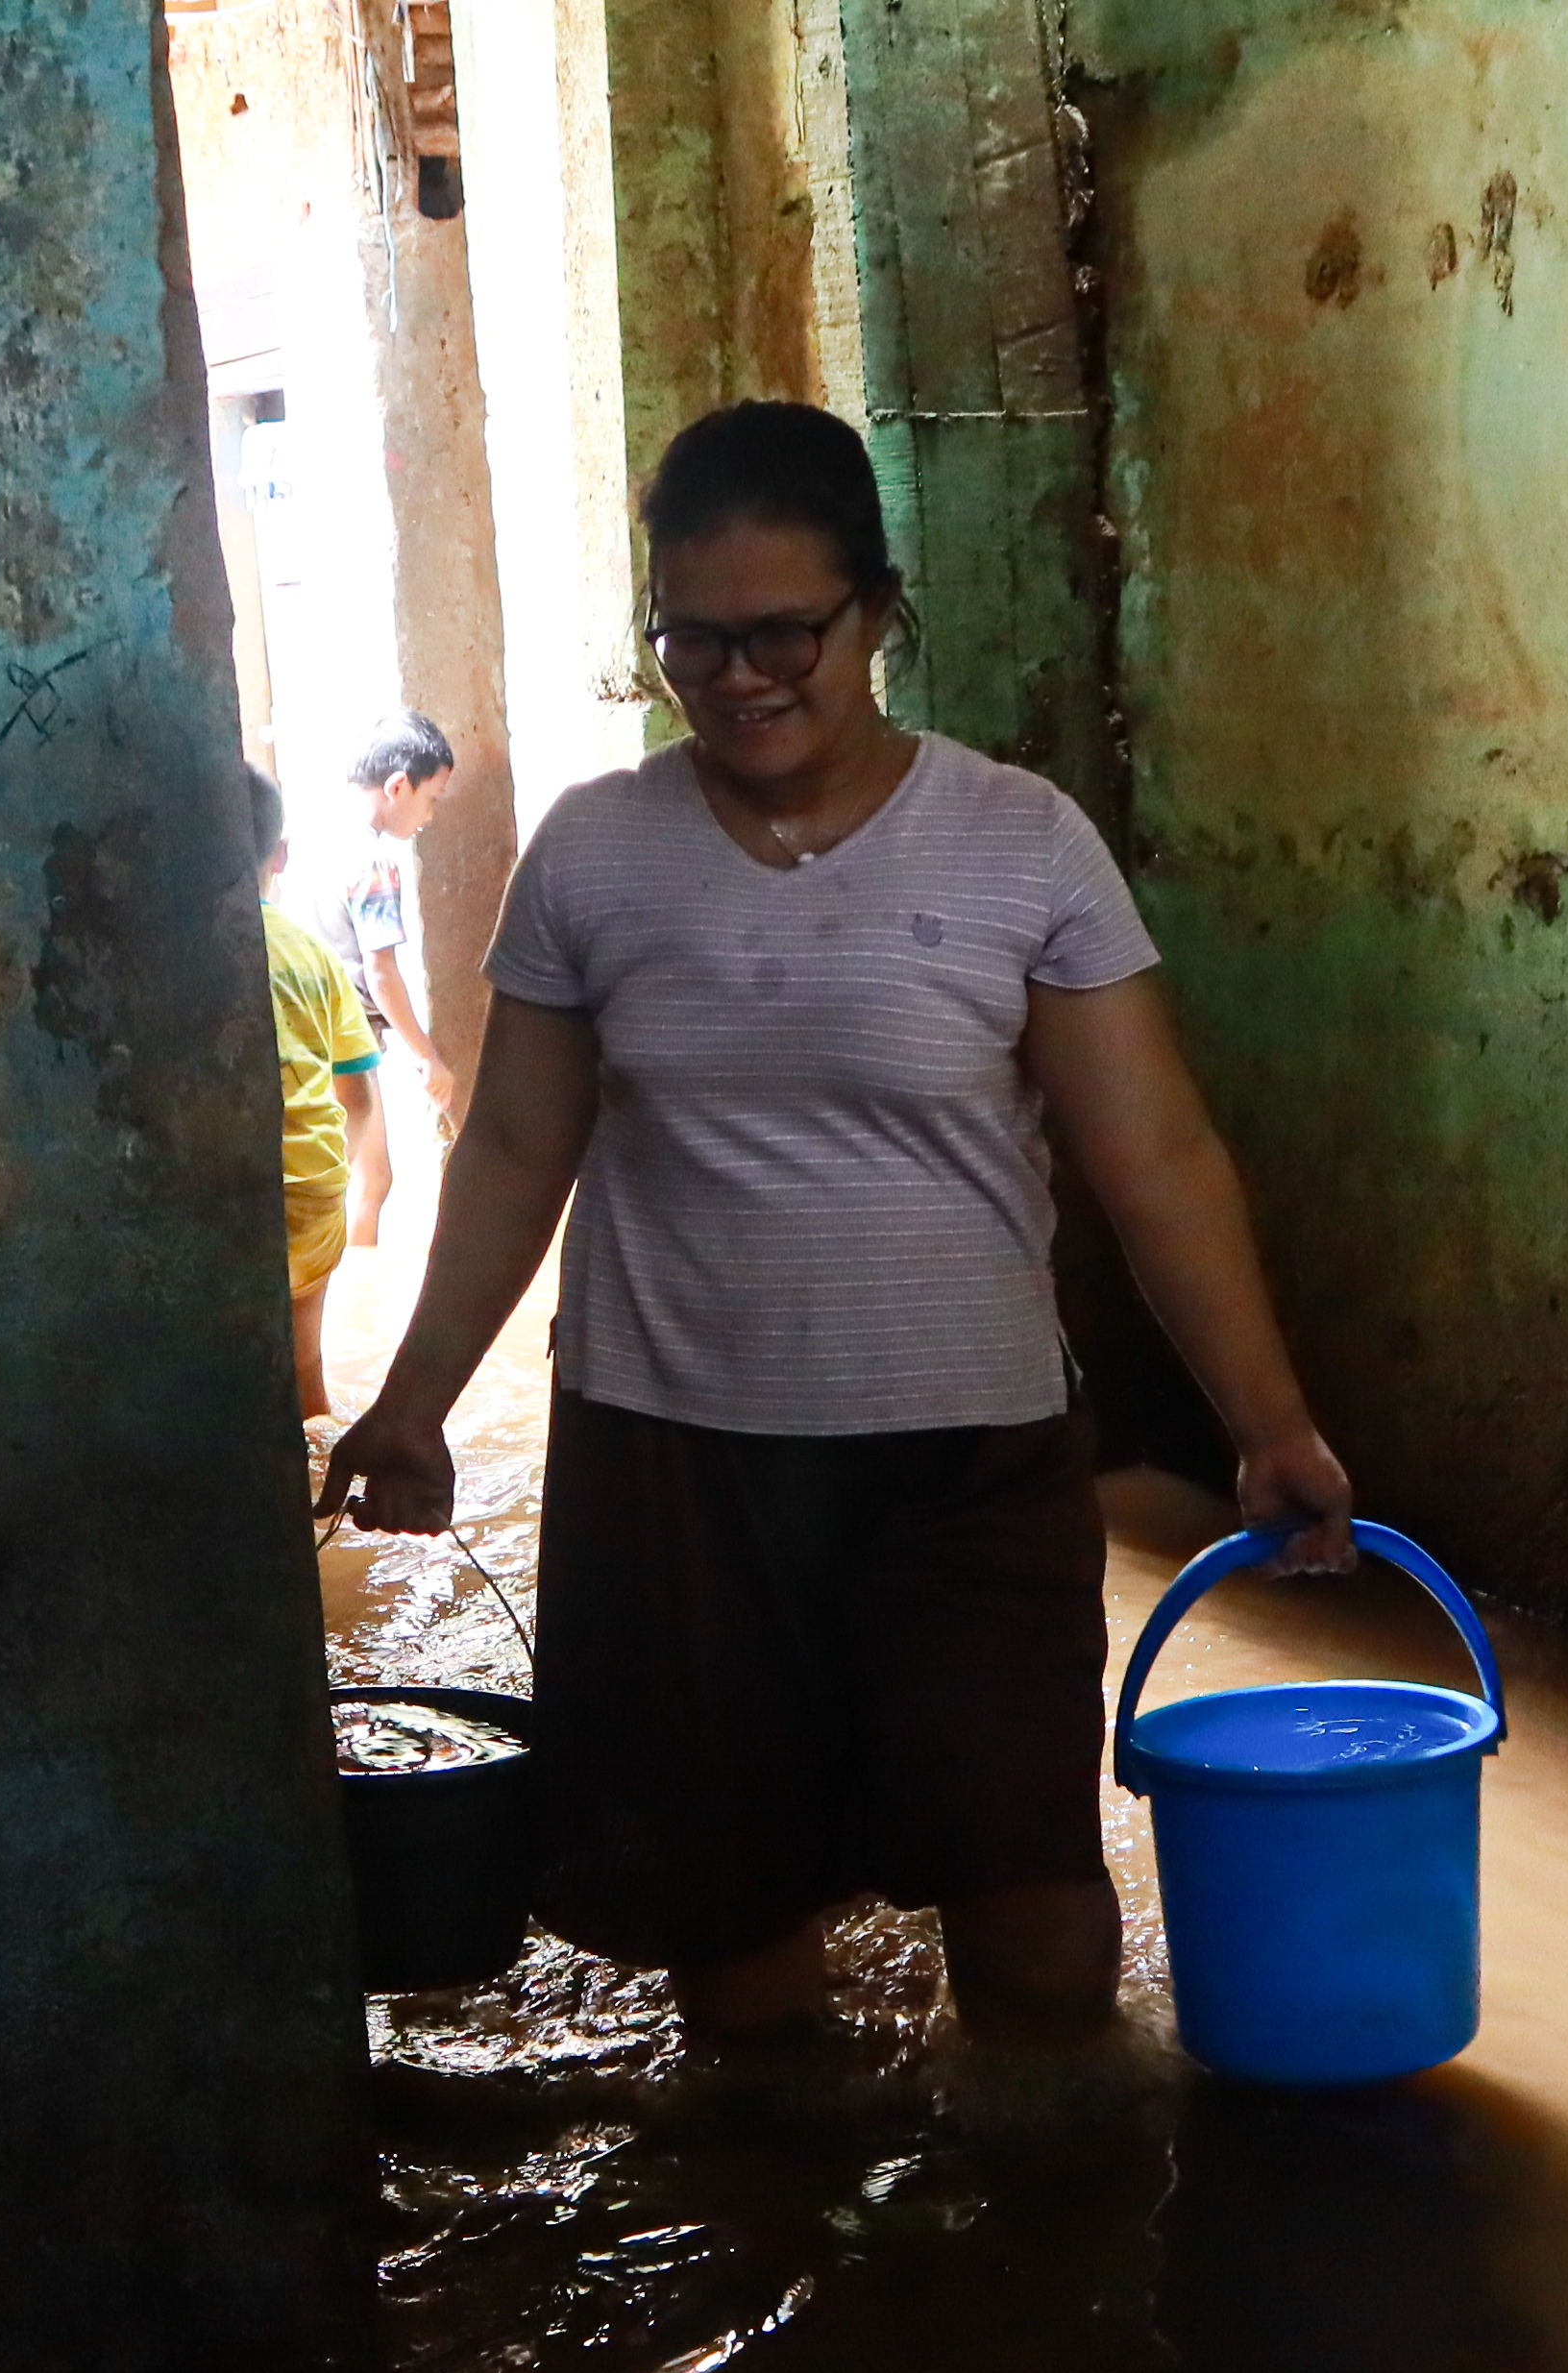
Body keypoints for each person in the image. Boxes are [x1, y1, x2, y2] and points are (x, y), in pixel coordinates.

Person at [318, 400, 1354, 2090]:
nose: (736, 676)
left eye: (781, 631)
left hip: (967, 1459)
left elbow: (1149, 1150)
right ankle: (800, 2264)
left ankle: (1039, 2274)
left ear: (873, 611)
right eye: (691, 640)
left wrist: (1266, 1420)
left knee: (1032, 1925)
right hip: (676, 1461)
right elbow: (514, 1143)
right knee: (731, 1953)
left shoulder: (1017, 839)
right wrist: (415, 1394)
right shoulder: (594, 852)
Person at [256, 765, 382, 1418]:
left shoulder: (181, 956)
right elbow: (356, 1097)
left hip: (230, 1193)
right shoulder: (309, 952)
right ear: (280, 854)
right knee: (306, 1370)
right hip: (313, 1183)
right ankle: (324, 1501)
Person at [336, 709, 459, 1127]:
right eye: (431, 800)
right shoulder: (373, 865)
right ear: (398, 786)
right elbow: (381, 973)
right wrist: (427, 1056)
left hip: (305, 1031)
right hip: (344, 1042)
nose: (430, 817)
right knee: (371, 1178)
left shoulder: (316, 842)